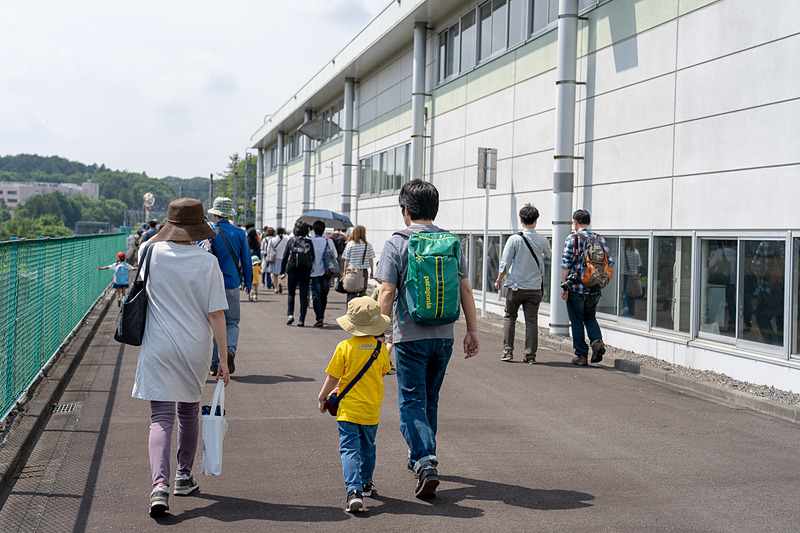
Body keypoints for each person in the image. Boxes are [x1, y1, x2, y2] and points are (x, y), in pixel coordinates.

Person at [375, 179, 480, 499]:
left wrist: (377, 334)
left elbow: (386, 291)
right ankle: (421, 456)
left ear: (405, 210)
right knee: (429, 399)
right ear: (435, 209)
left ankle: (423, 460)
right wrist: (472, 330)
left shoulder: (397, 242)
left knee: (410, 401)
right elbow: (465, 289)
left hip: (410, 336)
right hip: (444, 336)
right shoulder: (451, 242)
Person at [131, 198, 229, 518]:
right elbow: (216, 314)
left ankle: (159, 487)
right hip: (194, 347)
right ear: (199, 226)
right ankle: (183, 477)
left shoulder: (149, 252)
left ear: (170, 224)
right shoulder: (207, 262)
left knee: (161, 417)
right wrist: (223, 358)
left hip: (157, 345)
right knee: (188, 413)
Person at [317, 297, 392, 513]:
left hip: (348, 410)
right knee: (368, 447)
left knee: (349, 449)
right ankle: (366, 483)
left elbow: (333, 378)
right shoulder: (380, 349)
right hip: (371, 409)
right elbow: (384, 371)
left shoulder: (344, 347)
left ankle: (354, 491)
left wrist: (322, 397)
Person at [494, 204, 551, 364]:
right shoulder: (542, 239)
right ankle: (530, 355)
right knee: (531, 321)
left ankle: (507, 350)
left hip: (516, 287)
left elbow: (505, 262)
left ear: (521, 220)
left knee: (510, 317)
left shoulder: (514, 239)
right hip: (534, 288)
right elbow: (549, 255)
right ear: (536, 220)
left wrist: (499, 280)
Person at [560, 209, 615, 366]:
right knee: (590, 318)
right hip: (594, 287)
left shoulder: (572, 238)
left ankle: (581, 355)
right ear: (589, 222)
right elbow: (610, 261)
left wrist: (564, 286)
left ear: (575, 222)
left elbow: (566, 264)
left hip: (576, 288)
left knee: (577, 321)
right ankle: (597, 342)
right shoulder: (599, 239)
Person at [207, 197, 253, 376]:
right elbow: (246, 260)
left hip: (211, 284)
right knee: (231, 322)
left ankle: (214, 364)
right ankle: (229, 350)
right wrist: (248, 282)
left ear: (215, 214)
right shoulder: (239, 232)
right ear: (230, 214)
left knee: (214, 322)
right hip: (232, 283)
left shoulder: (209, 232)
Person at [281, 221, 314, 327]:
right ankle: (301, 319)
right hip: (305, 272)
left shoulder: (291, 241)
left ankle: (290, 315)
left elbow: (285, 257)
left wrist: (282, 271)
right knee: (303, 296)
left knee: (291, 294)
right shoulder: (309, 242)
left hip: (293, 271)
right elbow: (313, 257)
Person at [310, 220, 338, 327]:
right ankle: (321, 315)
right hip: (327, 271)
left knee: (316, 296)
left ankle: (319, 318)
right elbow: (335, 255)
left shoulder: (310, 241)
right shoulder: (328, 241)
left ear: (314, 230)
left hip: (314, 272)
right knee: (324, 295)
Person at [341, 225, 375, 303]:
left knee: (350, 293)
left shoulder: (350, 244)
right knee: (362, 293)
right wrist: (372, 271)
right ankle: (360, 309)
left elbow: (346, 260)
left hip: (351, 271)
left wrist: (344, 271)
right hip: (363, 272)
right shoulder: (367, 245)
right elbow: (371, 260)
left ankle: (350, 309)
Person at [268, 227, 288, 294]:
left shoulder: (272, 240)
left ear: (276, 232)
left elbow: (268, 250)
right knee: (285, 274)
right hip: (284, 258)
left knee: (275, 275)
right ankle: (281, 283)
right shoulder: (286, 239)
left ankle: (276, 288)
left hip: (275, 258)